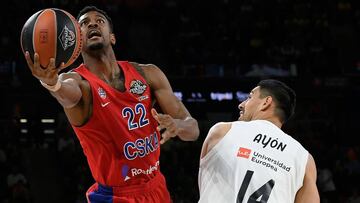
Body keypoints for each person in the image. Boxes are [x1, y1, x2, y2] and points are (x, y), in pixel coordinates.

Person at [24, 6, 199, 203]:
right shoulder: (79, 82)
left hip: (156, 187)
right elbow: (66, 94)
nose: (92, 23)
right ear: (77, 42)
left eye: (99, 20)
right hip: (115, 196)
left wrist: (178, 126)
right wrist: (51, 83)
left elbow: (192, 129)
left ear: (113, 37)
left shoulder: (147, 74)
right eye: (84, 23)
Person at [198, 79, 319, 203]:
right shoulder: (305, 160)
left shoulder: (222, 132)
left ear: (266, 102)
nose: (241, 104)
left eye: (249, 97)